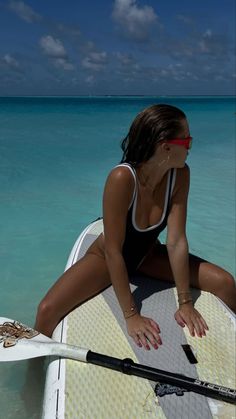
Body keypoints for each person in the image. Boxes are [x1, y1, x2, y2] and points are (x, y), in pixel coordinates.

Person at [35, 104, 236, 350]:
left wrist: (185, 302)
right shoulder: (122, 178)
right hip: (107, 258)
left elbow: (176, 241)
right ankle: (33, 376)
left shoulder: (180, 175)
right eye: (187, 140)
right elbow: (113, 251)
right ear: (165, 146)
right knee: (46, 310)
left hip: (147, 256)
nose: (191, 147)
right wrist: (131, 315)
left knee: (225, 282)